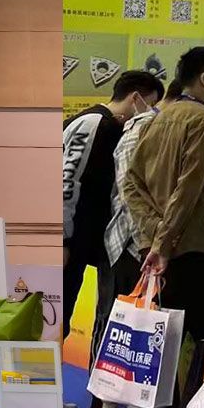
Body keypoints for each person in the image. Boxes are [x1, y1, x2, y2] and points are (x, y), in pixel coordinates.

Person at [119, 46, 204, 408]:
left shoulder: (157, 118)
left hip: (161, 251)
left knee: (162, 344)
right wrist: (164, 242)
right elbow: (189, 188)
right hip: (195, 248)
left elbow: (130, 183)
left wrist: (155, 234)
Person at [62, 71, 163, 334]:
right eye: (151, 104)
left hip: (80, 241)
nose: (150, 112)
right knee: (55, 317)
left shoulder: (110, 126)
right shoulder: (94, 123)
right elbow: (68, 180)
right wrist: (63, 240)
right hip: (69, 240)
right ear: (135, 98)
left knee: (63, 317)